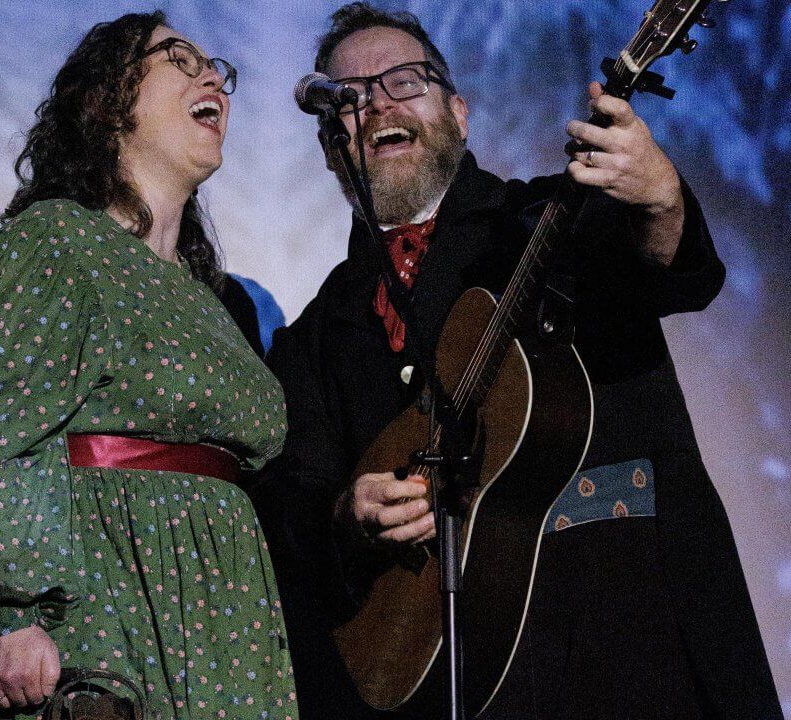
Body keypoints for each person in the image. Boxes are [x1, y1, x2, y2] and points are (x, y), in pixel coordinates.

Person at [256, 4, 781, 719]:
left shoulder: (552, 220)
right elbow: (292, 511)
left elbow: (674, 272)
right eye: (350, 98)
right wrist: (347, 514)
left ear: (459, 114)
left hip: (635, 638)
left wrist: (658, 200)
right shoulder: (314, 338)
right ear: (330, 146)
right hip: (459, 682)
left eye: (405, 81)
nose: (378, 101)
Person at [0, 12, 296, 719]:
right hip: (104, 595)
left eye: (219, 70)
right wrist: (13, 613)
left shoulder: (208, 301)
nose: (212, 76)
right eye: (178, 59)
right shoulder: (56, 242)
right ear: (103, 102)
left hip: (220, 609)